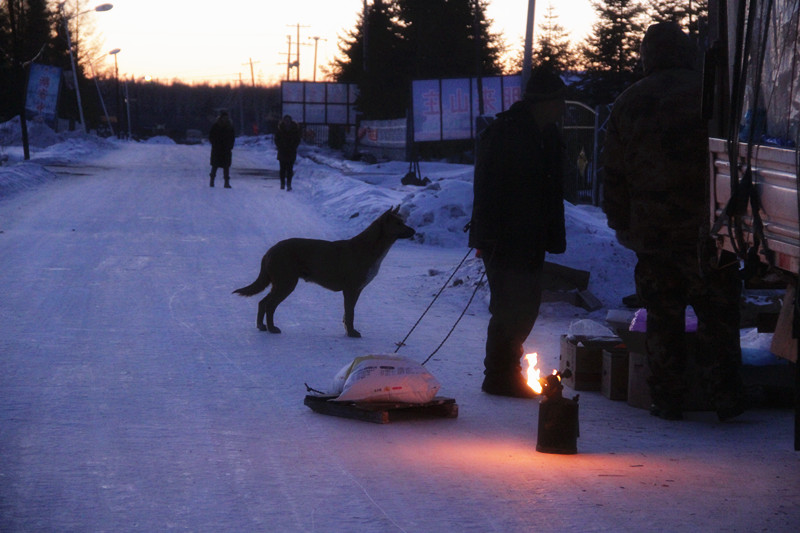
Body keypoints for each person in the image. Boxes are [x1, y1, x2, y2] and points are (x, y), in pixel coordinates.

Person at [603, 22, 746, 421]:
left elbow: (613, 172)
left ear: (648, 56)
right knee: (718, 317)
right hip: (711, 234)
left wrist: (621, 222)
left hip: (654, 235)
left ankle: (667, 398)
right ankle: (725, 396)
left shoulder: (629, 102)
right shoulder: (713, 94)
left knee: (663, 319)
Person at [468, 66, 567, 398]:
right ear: (543, 101)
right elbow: (486, 186)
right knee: (509, 306)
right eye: (559, 101)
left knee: (527, 307)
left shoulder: (548, 136)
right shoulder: (505, 132)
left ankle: (505, 369)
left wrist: (553, 234)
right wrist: (487, 235)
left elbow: (552, 191)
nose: (563, 108)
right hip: (504, 237)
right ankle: (498, 375)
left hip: (532, 237)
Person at [274, 115, 301, 191]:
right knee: (282, 169)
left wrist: (293, 146)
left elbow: (297, 139)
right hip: (282, 151)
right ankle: (282, 183)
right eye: (286, 120)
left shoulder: (294, 129)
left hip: (291, 151)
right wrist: (280, 146)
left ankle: (289, 184)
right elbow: (276, 139)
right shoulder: (280, 129)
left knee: (289, 169)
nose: (287, 122)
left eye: (288, 120)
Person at [209, 110, 235, 188]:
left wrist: (230, 146)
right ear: (221, 118)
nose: (225, 119)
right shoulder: (215, 126)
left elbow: (232, 137)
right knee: (215, 165)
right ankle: (212, 180)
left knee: (226, 166)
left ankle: (226, 182)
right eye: (224, 117)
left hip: (226, 149)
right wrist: (214, 144)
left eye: (226, 117)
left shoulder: (230, 127)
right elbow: (211, 136)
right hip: (217, 149)